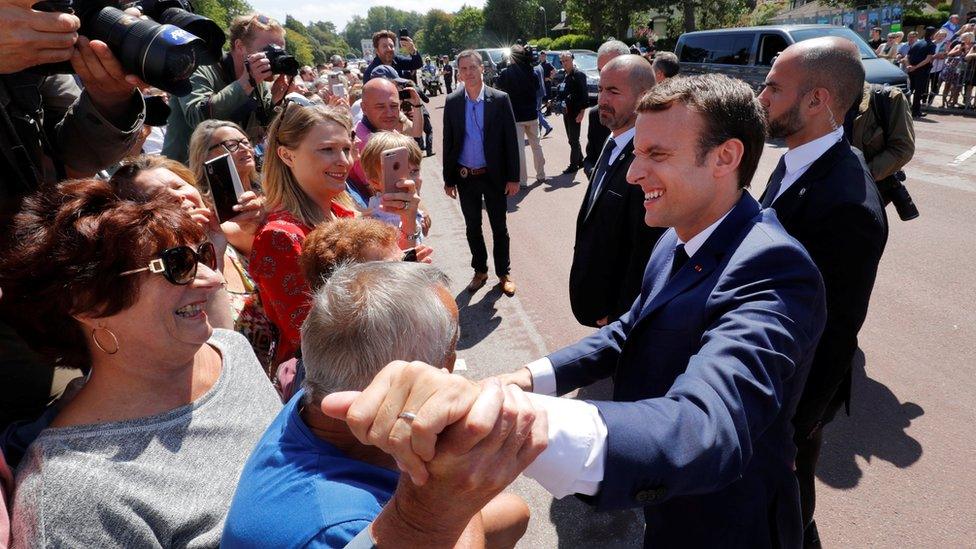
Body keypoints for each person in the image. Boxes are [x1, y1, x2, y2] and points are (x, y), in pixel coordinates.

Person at [336, 73, 829, 548]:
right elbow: (628, 332)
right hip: (664, 501)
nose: (634, 174)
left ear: (725, 157)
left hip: (728, 519)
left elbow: (707, 427)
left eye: (657, 154)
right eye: (637, 153)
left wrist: (513, 421)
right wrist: (519, 381)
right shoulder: (676, 237)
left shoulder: (772, 265)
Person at [0, 178, 282, 547]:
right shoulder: (71, 494)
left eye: (203, 255)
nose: (212, 280)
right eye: (177, 265)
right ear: (89, 304)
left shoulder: (231, 351)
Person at [223, 261, 534, 548]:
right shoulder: (338, 528)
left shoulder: (312, 401)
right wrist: (458, 466)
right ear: (406, 384)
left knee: (515, 511)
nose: (450, 370)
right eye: (450, 351)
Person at [757, 37, 889, 548]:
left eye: (773, 86)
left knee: (788, 505)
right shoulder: (800, 156)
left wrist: (795, 426)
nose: (761, 96)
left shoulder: (847, 203)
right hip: (770, 374)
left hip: (792, 397)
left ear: (818, 101)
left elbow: (836, 333)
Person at [108, 155, 278, 372]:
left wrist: (264, 216)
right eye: (156, 196)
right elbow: (224, 350)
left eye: (179, 185)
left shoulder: (232, 234)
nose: (177, 197)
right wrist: (210, 255)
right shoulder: (162, 278)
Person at [249, 104, 359, 364]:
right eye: (327, 150)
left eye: (346, 149)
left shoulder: (345, 214)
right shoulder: (279, 237)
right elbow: (311, 338)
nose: (343, 161)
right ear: (287, 156)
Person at [569, 55, 664, 328]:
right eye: (600, 89)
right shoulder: (611, 140)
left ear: (644, 96)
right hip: (598, 304)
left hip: (619, 319)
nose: (602, 100)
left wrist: (623, 313)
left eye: (613, 91)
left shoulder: (649, 160)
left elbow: (645, 250)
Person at [162, 13, 293, 163]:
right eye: (268, 50)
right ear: (240, 46)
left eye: (280, 51)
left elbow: (262, 129)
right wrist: (247, 82)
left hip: (232, 170)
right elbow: (198, 117)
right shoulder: (199, 67)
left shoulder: (259, 81)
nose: (274, 57)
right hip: (187, 170)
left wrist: (276, 101)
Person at [442, 50, 520, 296]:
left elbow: (510, 140)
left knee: (499, 227)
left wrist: (513, 177)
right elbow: (449, 141)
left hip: (493, 176)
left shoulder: (499, 99)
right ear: (459, 73)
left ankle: (503, 273)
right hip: (466, 176)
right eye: (463, 69)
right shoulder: (453, 102)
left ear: (482, 68)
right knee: (472, 226)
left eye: (472, 67)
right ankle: (480, 271)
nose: (468, 73)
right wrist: (448, 179)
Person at [850, 82, 917, 219]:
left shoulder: (889, 98)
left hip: (868, 193)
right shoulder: (825, 101)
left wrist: (863, 176)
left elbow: (902, 148)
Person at [349, 72, 424, 190]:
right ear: (364, 108)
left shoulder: (377, 129)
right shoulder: (364, 143)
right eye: (380, 107)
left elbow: (416, 134)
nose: (389, 113)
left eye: (394, 106)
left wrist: (417, 106)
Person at [357, 131, 425, 248]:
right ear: (374, 181)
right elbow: (402, 260)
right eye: (397, 175)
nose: (409, 181)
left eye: (414, 171)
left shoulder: (410, 206)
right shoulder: (382, 221)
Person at [496, 45, 547, 186]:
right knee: (536, 145)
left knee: (519, 150)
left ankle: (522, 181)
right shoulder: (532, 71)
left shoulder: (507, 72)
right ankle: (541, 174)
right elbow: (537, 88)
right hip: (531, 114)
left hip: (516, 116)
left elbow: (498, 85)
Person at [582, 41, 629, 179]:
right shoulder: (596, 114)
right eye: (600, 71)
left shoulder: (649, 117)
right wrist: (596, 175)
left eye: (612, 69)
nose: (605, 77)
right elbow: (590, 159)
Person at [557, 51, 589, 174]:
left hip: (575, 112)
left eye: (566, 60)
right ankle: (580, 161)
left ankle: (573, 165)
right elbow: (564, 92)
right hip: (566, 112)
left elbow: (584, 95)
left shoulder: (579, 74)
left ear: (572, 60)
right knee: (571, 139)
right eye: (562, 61)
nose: (564, 63)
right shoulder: (566, 75)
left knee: (574, 140)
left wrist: (582, 113)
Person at [905, 27, 938, 118]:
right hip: (921, 71)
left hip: (912, 70)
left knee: (910, 90)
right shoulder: (931, 45)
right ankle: (915, 111)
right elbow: (927, 59)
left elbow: (907, 56)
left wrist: (909, 66)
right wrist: (915, 67)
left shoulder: (917, 43)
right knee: (918, 92)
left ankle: (904, 109)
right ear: (933, 34)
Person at [533, 52, 553, 137]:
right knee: (539, 111)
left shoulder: (535, 68)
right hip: (541, 92)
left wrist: (550, 78)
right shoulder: (540, 66)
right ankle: (540, 131)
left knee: (536, 111)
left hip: (537, 93)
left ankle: (547, 126)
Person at [929, 29, 951, 105]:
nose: (941, 37)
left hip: (938, 67)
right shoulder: (932, 43)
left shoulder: (946, 44)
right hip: (929, 66)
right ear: (937, 35)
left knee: (934, 85)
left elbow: (945, 54)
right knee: (925, 84)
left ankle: (930, 100)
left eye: (943, 36)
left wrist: (936, 56)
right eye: (940, 35)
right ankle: (924, 99)